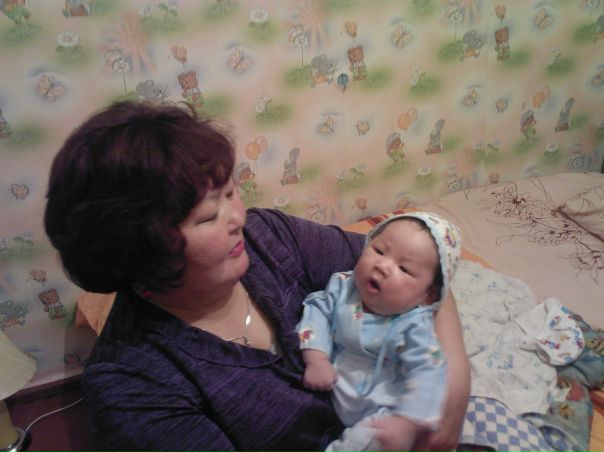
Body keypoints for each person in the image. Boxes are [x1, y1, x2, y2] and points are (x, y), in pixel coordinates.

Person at [43, 101, 470, 452]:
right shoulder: (135, 389)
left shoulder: (268, 237)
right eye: (208, 216)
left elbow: (421, 270)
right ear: (145, 252)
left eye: (231, 193)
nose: (237, 218)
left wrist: (455, 382)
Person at [298, 212, 462, 452]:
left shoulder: (414, 327)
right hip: (337, 394)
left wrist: (406, 423)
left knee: (367, 440)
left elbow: (429, 371)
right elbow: (316, 311)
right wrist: (317, 359)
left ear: (428, 296)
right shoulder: (343, 287)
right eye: (379, 251)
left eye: (404, 268)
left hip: (386, 412)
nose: (383, 265)